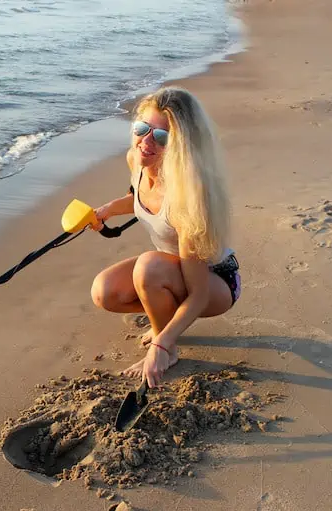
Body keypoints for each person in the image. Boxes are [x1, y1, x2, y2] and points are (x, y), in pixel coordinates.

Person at [88, 86, 240, 388]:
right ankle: (166, 319)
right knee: (104, 291)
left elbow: (198, 296)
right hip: (172, 269)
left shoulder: (188, 198)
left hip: (215, 282)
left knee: (149, 267)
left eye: (161, 137)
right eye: (142, 128)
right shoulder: (138, 161)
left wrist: (160, 344)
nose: (146, 142)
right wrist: (105, 211)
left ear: (180, 146)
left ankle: (168, 347)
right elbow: (138, 197)